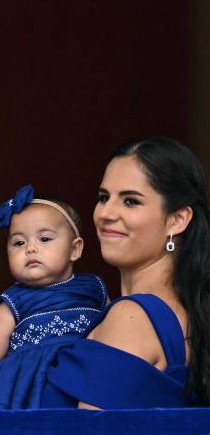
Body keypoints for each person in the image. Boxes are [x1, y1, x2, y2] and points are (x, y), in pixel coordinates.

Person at [42, 137, 209, 408]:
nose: (106, 213)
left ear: (177, 220)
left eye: (130, 201)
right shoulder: (188, 314)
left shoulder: (134, 317)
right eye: (103, 197)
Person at [0, 185, 107, 410]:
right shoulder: (14, 300)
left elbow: (114, 333)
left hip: (81, 378)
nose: (30, 248)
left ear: (75, 249)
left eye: (44, 239)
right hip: (26, 388)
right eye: (19, 243)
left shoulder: (94, 288)